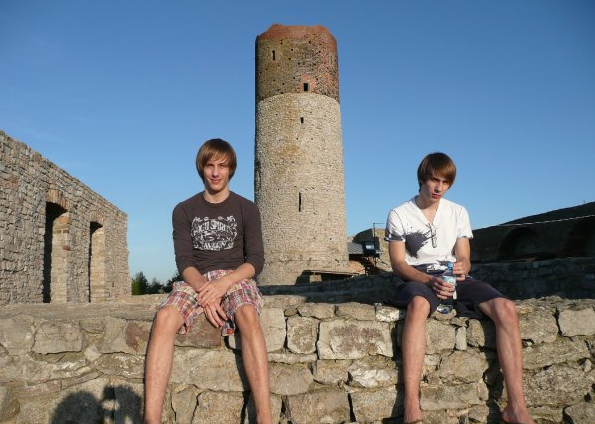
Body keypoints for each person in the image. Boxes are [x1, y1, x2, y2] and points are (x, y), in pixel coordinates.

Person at [385, 152, 534, 424]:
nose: (439, 187)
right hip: (417, 277)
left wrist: (463, 265)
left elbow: (464, 256)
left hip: (452, 275)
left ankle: (516, 407)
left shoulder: (458, 212)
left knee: (506, 308)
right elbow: (398, 264)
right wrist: (429, 281)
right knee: (418, 305)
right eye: (434, 180)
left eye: (446, 182)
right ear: (422, 179)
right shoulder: (399, 214)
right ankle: (411, 406)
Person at [144, 139, 272, 424]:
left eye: (222, 166)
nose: (216, 172)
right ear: (201, 168)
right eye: (210, 166)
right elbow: (184, 262)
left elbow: (255, 260)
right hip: (196, 280)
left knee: (248, 314)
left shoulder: (247, 208)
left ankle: (265, 417)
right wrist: (206, 291)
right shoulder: (183, 210)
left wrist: (223, 284)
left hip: (234, 277)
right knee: (164, 317)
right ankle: (150, 419)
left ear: (231, 169)